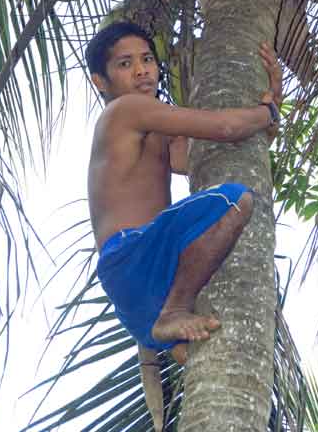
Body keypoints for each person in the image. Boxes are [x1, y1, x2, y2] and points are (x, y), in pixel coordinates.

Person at [86, 20, 282, 365]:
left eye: (147, 59)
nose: (142, 71)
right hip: (134, 256)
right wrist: (267, 111)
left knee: (216, 360)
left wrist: (271, 102)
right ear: (100, 82)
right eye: (125, 64)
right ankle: (175, 311)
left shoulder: (152, 125)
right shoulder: (126, 110)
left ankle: (170, 322)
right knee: (231, 201)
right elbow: (225, 127)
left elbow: (209, 155)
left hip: (143, 289)